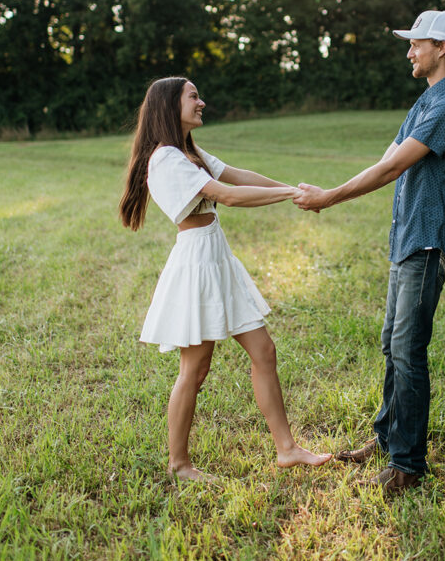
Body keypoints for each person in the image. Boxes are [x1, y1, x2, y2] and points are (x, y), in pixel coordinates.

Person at [293, 9, 445, 496]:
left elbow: (394, 167)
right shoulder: (426, 101)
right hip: (407, 238)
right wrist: (329, 189)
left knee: (408, 349)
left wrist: (329, 197)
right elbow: (384, 158)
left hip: (429, 238)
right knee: (392, 347)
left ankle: (408, 464)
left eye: (416, 43)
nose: (409, 51)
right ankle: (388, 440)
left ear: (441, 49)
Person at [119, 76, 332, 483]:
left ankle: (287, 450)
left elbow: (238, 176)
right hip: (197, 265)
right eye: (193, 96)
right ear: (169, 105)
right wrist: (290, 196)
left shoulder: (188, 151)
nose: (202, 103)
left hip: (218, 257)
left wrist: (292, 188)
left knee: (263, 350)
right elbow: (228, 196)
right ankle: (179, 464)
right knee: (195, 371)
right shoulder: (165, 159)